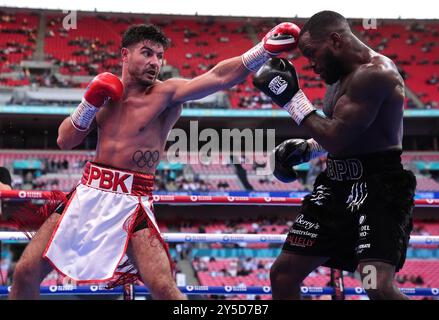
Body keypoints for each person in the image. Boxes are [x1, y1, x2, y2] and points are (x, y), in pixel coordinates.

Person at [9, 23, 300, 300]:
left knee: (162, 286)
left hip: (131, 203)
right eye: (147, 53)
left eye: (160, 56)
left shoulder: (166, 94)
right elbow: (64, 140)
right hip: (86, 193)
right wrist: (90, 103)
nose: (155, 62)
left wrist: (263, 49)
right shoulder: (106, 95)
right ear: (125, 54)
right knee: (24, 272)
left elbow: (219, 77)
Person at [253, 11, 416, 300]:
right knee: (283, 274)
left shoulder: (376, 73)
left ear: (335, 40)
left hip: (379, 188)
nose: (312, 66)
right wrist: (308, 149)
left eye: (313, 55)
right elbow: (347, 134)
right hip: (335, 187)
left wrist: (292, 100)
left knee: (375, 284)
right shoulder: (338, 80)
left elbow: (338, 136)